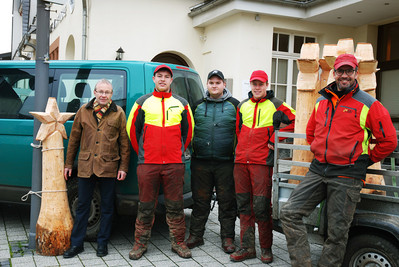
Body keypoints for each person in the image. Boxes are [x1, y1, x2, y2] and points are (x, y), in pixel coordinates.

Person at [280, 53, 398, 267]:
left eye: (349, 71)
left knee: (336, 233)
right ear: (334, 73)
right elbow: (311, 132)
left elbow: (388, 141)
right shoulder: (321, 100)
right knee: (289, 213)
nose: (344, 75)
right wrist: (319, 150)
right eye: (340, 71)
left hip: (347, 174)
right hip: (318, 170)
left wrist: (366, 159)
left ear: (355, 74)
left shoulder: (370, 105)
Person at [126, 64, 194, 260]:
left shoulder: (181, 103)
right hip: (148, 164)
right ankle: (140, 244)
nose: (163, 79)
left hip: (174, 164)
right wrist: (145, 154)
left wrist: (177, 152)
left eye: (166, 76)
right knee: (146, 206)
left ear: (171, 80)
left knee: (175, 205)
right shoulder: (142, 102)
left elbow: (188, 132)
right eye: (159, 76)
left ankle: (178, 243)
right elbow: (132, 130)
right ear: (154, 79)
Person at [230, 70, 295, 263]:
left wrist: (276, 138)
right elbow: (238, 131)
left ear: (266, 85)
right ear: (250, 85)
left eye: (260, 84)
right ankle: (247, 248)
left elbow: (294, 121)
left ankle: (266, 249)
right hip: (241, 162)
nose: (257, 87)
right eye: (254, 84)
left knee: (261, 207)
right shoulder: (242, 105)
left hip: (261, 163)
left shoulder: (276, 104)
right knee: (243, 206)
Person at [63, 79, 130, 258]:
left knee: (107, 206)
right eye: (100, 91)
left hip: (109, 165)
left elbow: (124, 142)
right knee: (82, 206)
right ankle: (76, 244)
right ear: (94, 92)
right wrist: (68, 164)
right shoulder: (83, 111)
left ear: (111, 94)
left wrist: (123, 166)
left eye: (107, 92)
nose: (103, 95)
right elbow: (74, 139)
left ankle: (102, 243)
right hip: (86, 166)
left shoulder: (118, 113)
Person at [185, 70, 239, 254]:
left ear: (224, 84)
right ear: (207, 85)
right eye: (211, 82)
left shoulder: (235, 105)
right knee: (200, 201)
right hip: (201, 162)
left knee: (227, 201)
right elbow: (188, 128)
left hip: (226, 163)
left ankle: (228, 237)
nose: (214, 85)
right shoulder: (198, 105)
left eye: (218, 82)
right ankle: (196, 235)